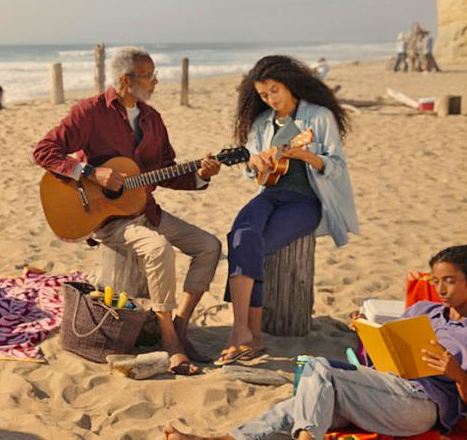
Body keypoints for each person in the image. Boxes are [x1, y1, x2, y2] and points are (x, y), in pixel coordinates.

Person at [33, 47, 223, 373]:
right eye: (149, 75)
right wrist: (91, 173)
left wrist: (201, 176)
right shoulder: (90, 112)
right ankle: (169, 339)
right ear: (125, 80)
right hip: (109, 220)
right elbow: (44, 151)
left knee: (209, 246)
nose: (156, 81)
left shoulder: (152, 119)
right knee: (158, 248)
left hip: (147, 211)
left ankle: (178, 324)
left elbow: (166, 171)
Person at [165, 245, 467, 440]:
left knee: (318, 367)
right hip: (383, 388)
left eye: (450, 281)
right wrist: (367, 332)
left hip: (420, 406)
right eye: (435, 280)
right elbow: (388, 351)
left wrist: (456, 374)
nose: (440, 289)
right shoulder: (421, 311)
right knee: (296, 405)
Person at [216, 55, 358, 366]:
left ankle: (246, 334)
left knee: (257, 246)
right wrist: (255, 163)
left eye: (274, 90)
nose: (270, 99)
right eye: (263, 95)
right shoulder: (262, 122)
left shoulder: (318, 117)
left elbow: (336, 166)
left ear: (290, 84)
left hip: (306, 200)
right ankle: (244, 330)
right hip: (271, 194)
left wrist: (305, 155)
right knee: (241, 234)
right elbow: (254, 169)